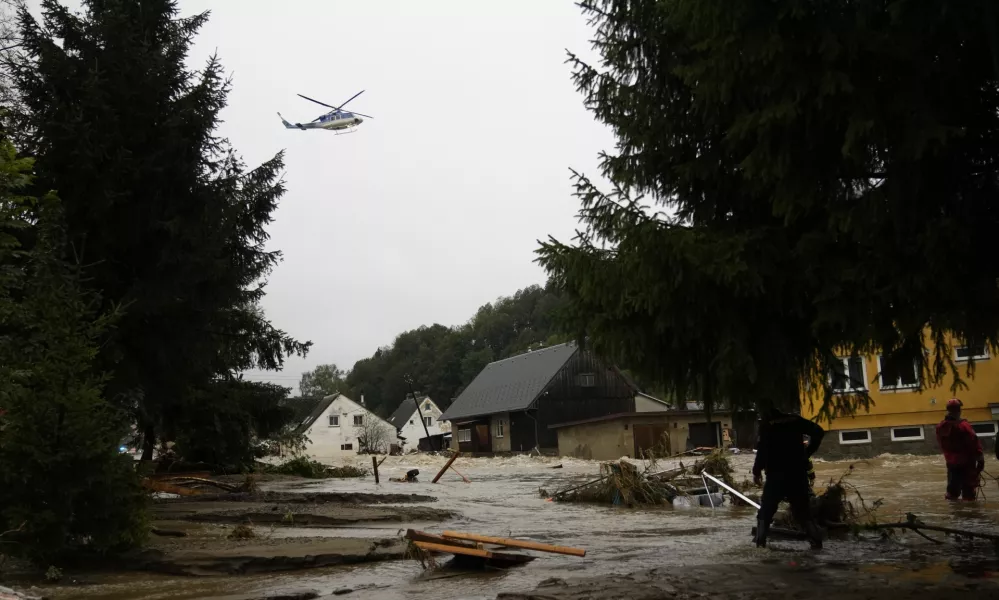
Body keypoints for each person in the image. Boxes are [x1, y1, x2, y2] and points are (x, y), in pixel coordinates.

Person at [752, 407, 826, 549]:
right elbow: (819, 432)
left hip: (776, 476)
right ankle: (817, 544)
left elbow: (762, 451)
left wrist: (756, 472)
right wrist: (807, 452)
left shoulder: (768, 425)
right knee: (803, 511)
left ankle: (760, 545)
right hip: (797, 474)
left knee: (766, 511)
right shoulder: (796, 421)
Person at [935, 398, 984, 501]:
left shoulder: (940, 427)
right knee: (969, 492)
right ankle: (969, 515)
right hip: (967, 464)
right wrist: (980, 460)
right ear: (959, 410)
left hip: (951, 463)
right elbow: (974, 443)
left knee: (952, 493)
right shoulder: (964, 426)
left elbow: (941, 443)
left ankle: (955, 514)